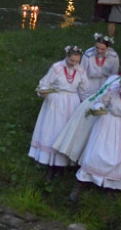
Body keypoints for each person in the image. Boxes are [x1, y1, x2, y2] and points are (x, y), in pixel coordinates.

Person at [53, 61, 121, 165]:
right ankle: (83, 160)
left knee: (80, 131)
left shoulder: (114, 77)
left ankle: (72, 156)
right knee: (90, 134)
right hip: (99, 106)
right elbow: (112, 98)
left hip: (90, 102)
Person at [28, 45, 88, 178]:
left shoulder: (81, 71)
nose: (73, 64)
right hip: (56, 101)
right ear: (67, 57)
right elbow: (44, 83)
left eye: (76, 61)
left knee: (67, 132)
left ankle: (64, 164)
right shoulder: (56, 68)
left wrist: (86, 104)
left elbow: (84, 89)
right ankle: (50, 164)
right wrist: (43, 92)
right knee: (54, 130)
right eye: (71, 60)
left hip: (72, 102)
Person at [78, 33, 120, 100]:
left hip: (105, 82)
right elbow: (82, 71)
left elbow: (114, 73)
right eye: (97, 48)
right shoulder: (88, 54)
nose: (99, 51)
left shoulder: (113, 55)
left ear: (108, 48)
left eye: (103, 49)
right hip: (90, 82)